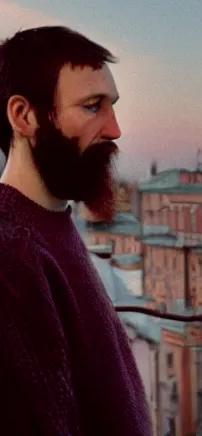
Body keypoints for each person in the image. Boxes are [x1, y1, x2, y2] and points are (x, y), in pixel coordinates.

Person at [0, 26, 152, 435]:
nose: (115, 129)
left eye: (112, 106)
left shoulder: (51, 224)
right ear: (24, 116)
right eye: (92, 106)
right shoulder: (11, 253)